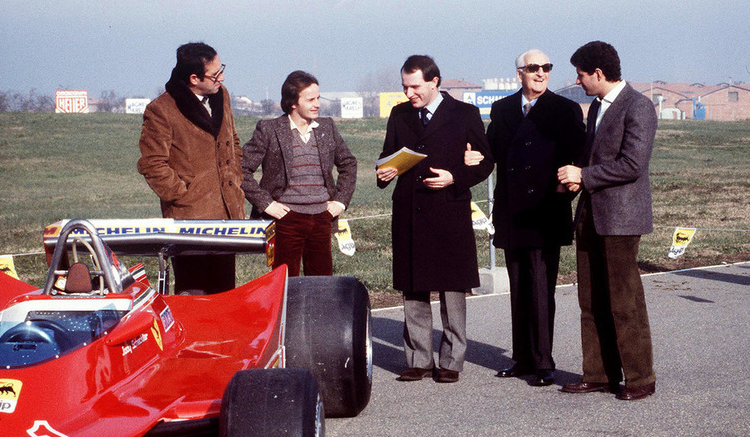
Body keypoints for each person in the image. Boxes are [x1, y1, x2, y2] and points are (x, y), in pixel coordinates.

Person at [466, 50, 585, 387]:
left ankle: (544, 361)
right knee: (518, 285)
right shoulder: (502, 109)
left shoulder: (565, 109)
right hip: (512, 209)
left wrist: (567, 191)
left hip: (545, 210)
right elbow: (491, 155)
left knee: (541, 286)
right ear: (519, 72)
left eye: (546, 68)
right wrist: (471, 160)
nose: (541, 73)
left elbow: (578, 155)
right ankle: (522, 358)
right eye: (533, 68)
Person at [377, 55, 494, 383]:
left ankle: (451, 361)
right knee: (413, 288)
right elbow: (387, 157)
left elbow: (485, 163)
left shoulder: (464, 114)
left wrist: (454, 177)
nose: (409, 93)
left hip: (449, 211)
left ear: (434, 82)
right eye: (404, 86)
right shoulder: (399, 114)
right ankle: (417, 359)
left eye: (414, 86)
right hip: (409, 214)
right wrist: (384, 173)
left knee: (452, 290)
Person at [557, 41, 658, 401]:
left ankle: (640, 377)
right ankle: (598, 374)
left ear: (598, 74)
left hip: (622, 219)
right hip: (591, 216)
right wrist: (572, 180)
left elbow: (633, 165)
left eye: (581, 75)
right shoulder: (596, 107)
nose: (579, 81)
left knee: (624, 301)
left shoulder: (639, 107)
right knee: (590, 300)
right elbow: (593, 159)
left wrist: (584, 175)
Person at [138, 42, 245, 294]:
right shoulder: (161, 110)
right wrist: (182, 194)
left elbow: (233, 140)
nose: (222, 77)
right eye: (215, 74)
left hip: (227, 218)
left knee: (225, 295)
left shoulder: (222, 95)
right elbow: (152, 164)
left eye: (222, 70)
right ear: (194, 78)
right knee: (193, 295)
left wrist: (235, 174)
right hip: (189, 223)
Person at [241, 71, 357, 276]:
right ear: (293, 102)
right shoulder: (269, 129)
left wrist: (340, 202)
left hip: (322, 217)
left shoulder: (327, 127)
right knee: (286, 283)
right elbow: (240, 170)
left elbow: (348, 163)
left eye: (318, 98)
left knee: (321, 284)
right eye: (310, 99)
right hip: (285, 219)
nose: (318, 104)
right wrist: (267, 204)